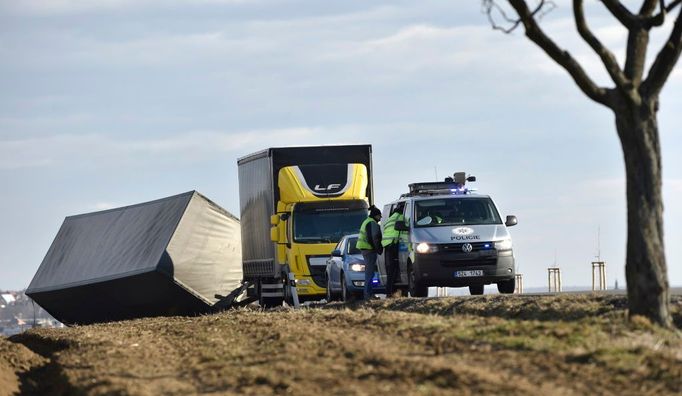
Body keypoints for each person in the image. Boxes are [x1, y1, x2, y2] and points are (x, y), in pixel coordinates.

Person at [355, 205, 383, 300]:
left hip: (365, 249)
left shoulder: (366, 221)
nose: (380, 218)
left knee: (369, 273)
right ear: (375, 215)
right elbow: (374, 238)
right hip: (369, 249)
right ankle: (368, 295)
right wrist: (379, 249)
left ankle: (369, 294)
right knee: (369, 273)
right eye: (379, 216)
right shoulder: (372, 223)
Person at [381, 203, 405, 297]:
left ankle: (390, 292)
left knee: (390, 269)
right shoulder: (400, 217)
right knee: (393, 269)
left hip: (387, 245)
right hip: (393, 244)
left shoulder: (391, 217)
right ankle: (390, 292)